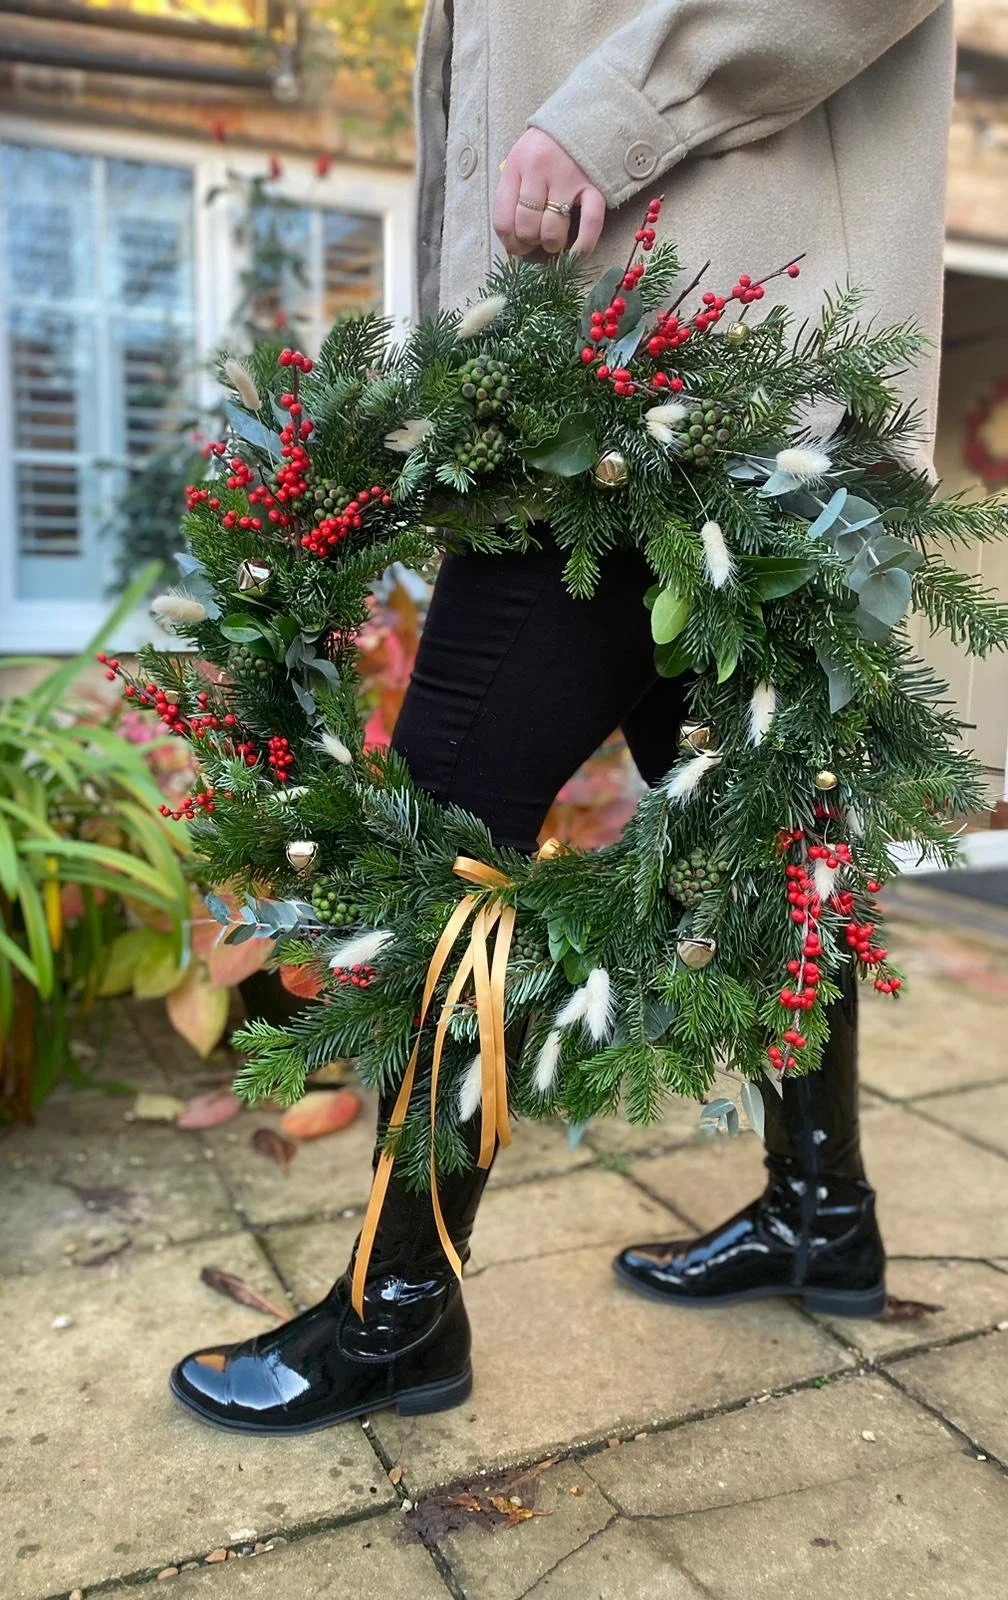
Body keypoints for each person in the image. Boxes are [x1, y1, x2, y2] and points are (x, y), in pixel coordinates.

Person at [170, 0, 954, 1432]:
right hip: (622, 365)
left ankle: (401, 1308)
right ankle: (822, 1211)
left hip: (664, 373)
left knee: (448, 814)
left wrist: (614, 115)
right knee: (762, 837)